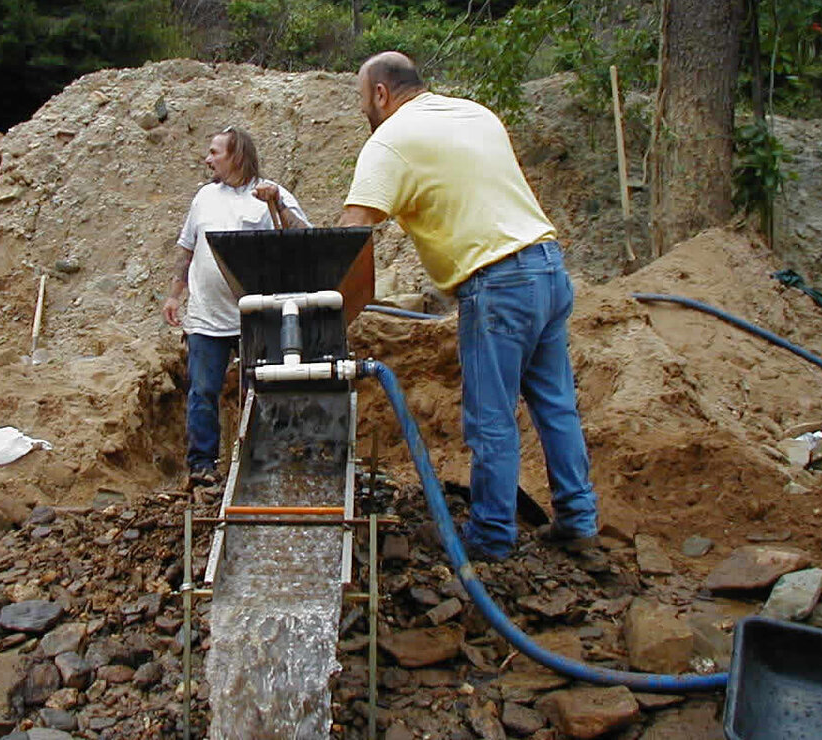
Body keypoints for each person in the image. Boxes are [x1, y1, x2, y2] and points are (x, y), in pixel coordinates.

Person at [338, 51, 598, 561]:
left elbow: (350, 232)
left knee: (491, 420)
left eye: (362, 99)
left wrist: (327, 306)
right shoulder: (475, 113)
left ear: (381, 94)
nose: (364, 110)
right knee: (556, 407)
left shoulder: (390, 139)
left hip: (499, 285)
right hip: (548, 268)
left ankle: (491, 539)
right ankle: (578, 521)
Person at [162, 126, 310, 484]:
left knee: (261, 390)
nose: (207, 159)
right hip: (206, 317)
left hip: (256, 316)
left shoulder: (270, 194)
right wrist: (174, 294)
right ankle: (202, 466)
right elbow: (187, 249)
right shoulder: (203, 198)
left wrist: (276, 204)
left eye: (214, 152)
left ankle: (262, 462)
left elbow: (304, 238)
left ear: (236, 156)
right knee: (202, 391)